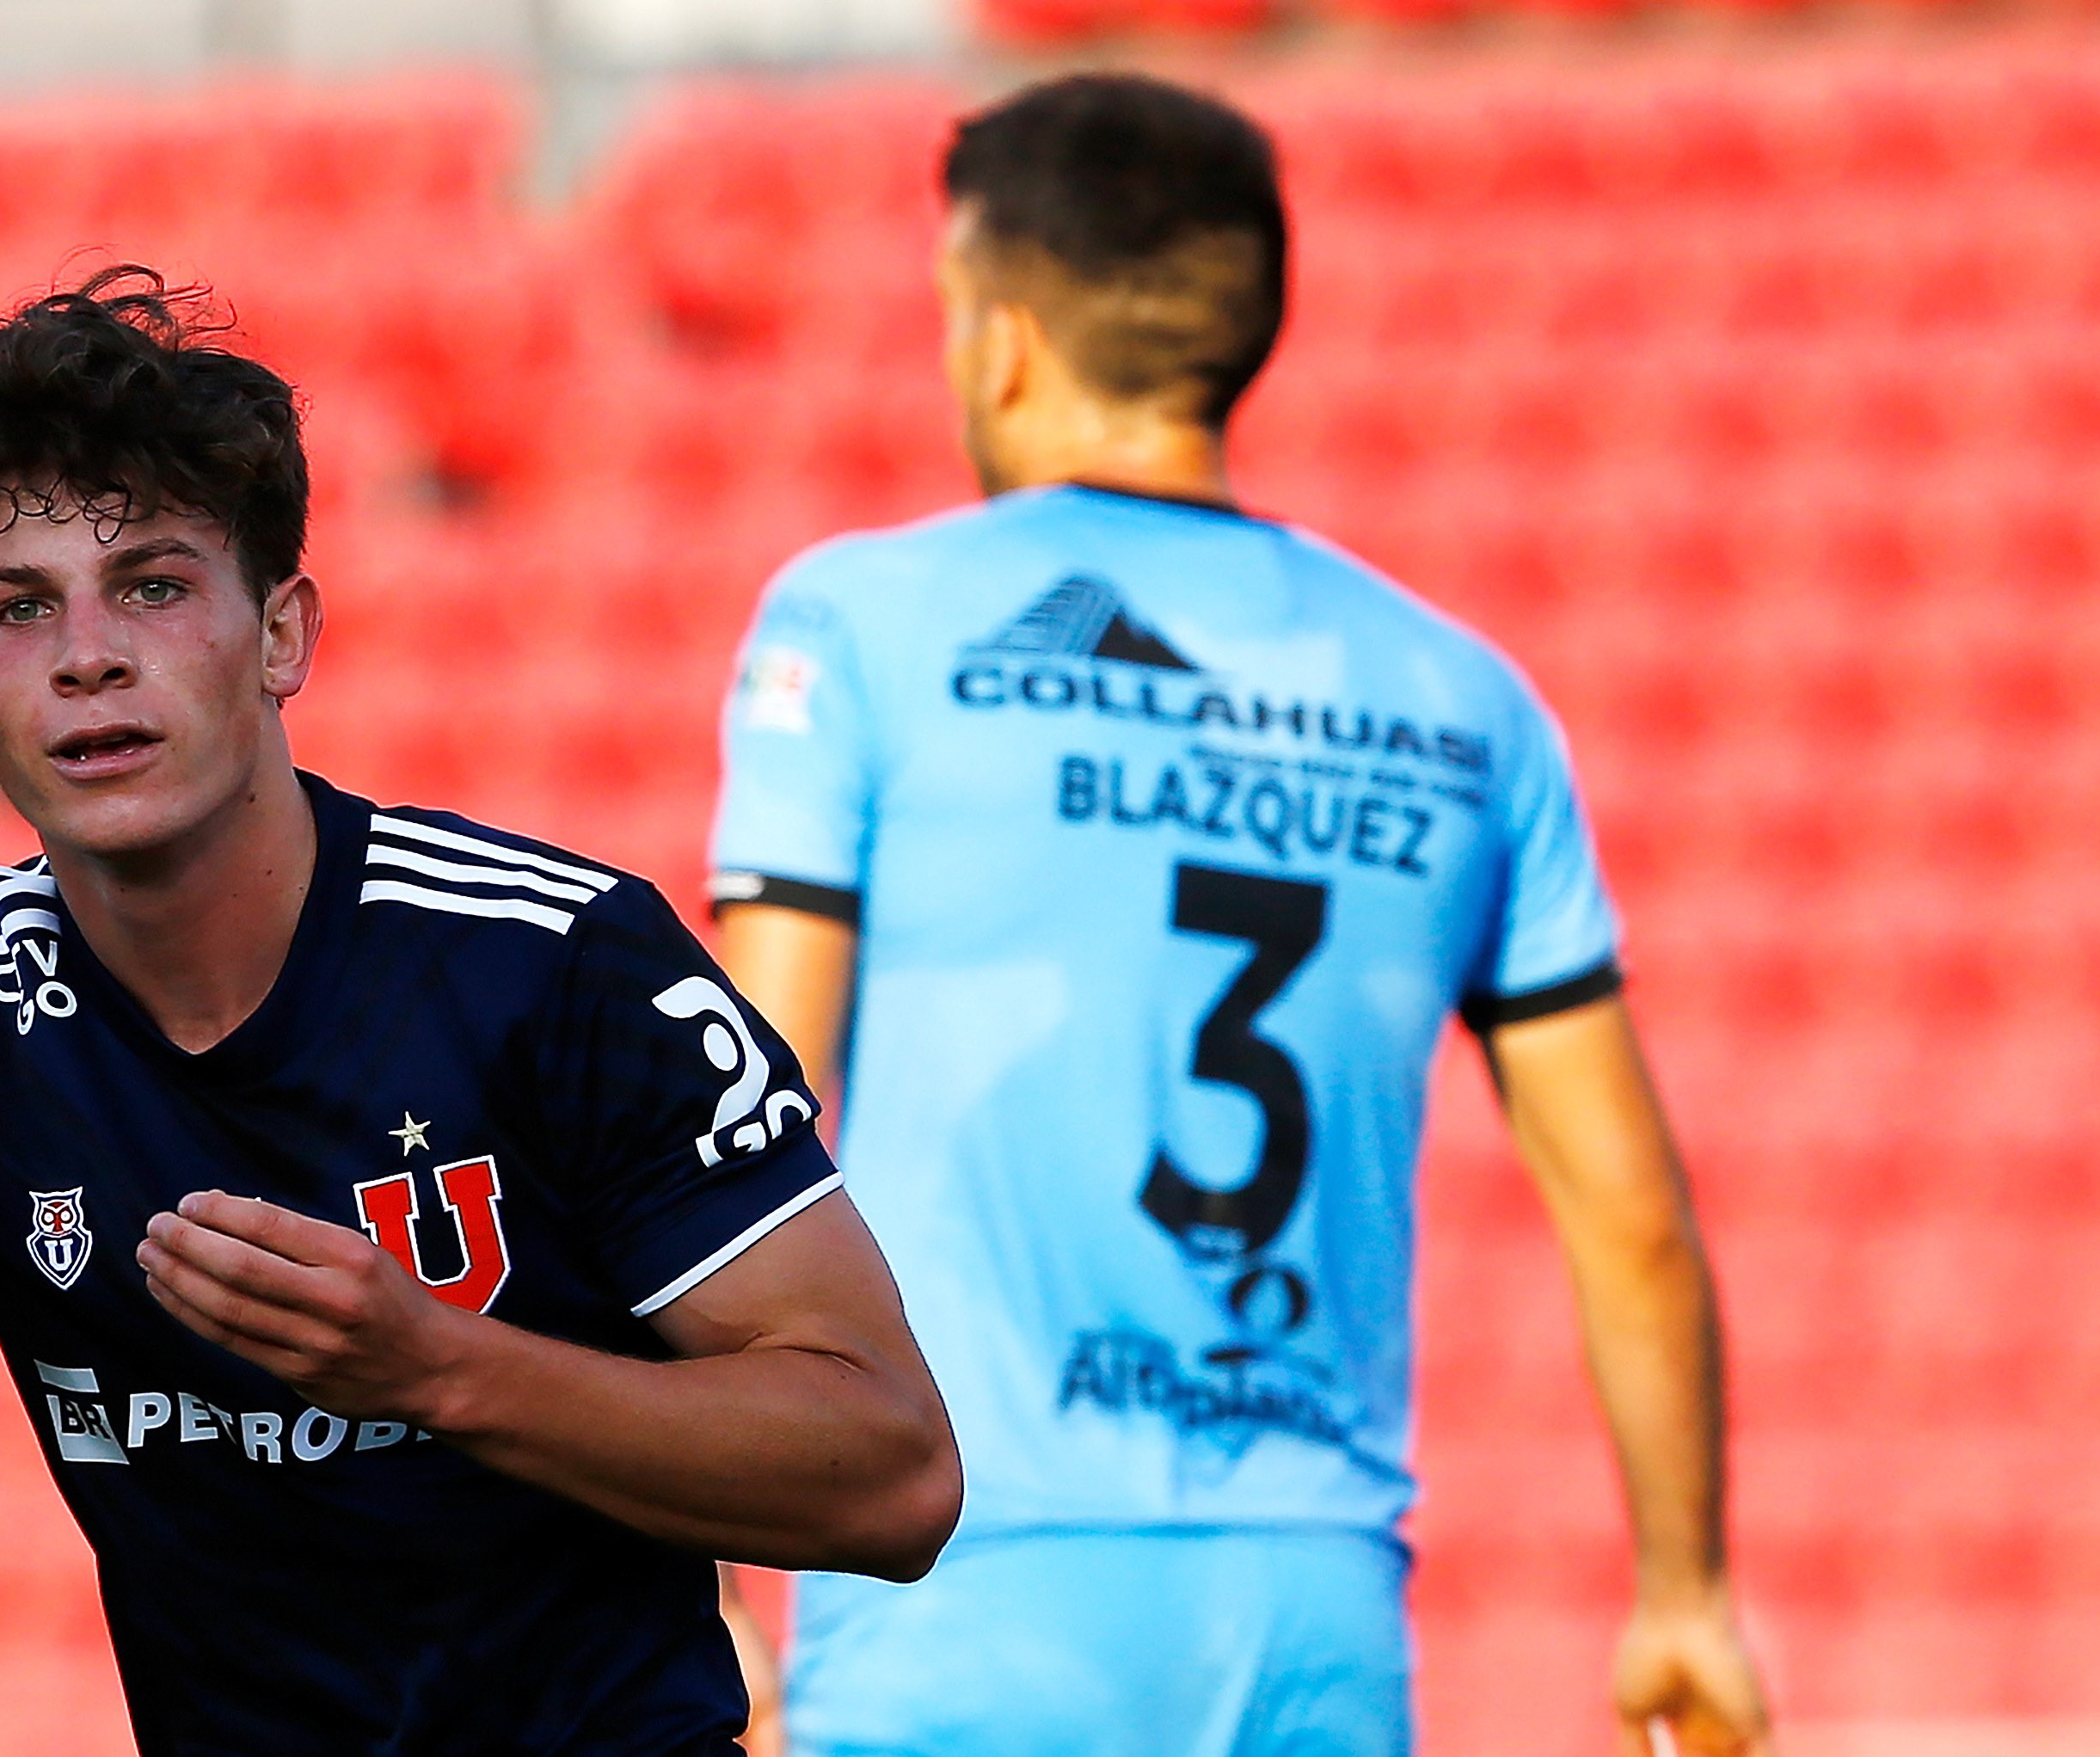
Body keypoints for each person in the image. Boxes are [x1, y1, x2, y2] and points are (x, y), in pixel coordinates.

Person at [0, 270, 961, 1756]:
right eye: (18, 609)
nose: (86, 655)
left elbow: (893, 1476)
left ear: (282, 636)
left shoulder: (561, 961)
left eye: (154, 585)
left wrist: (438, 1367)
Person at [709, 76, 1772, 1757]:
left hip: (954, 1586)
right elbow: (1623, 1207)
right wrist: (1685, 1590)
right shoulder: (1461, 698)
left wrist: (697, 1578)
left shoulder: (856, 626)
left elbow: (736, 1119)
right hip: (1308, 1618)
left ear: (995, 337)